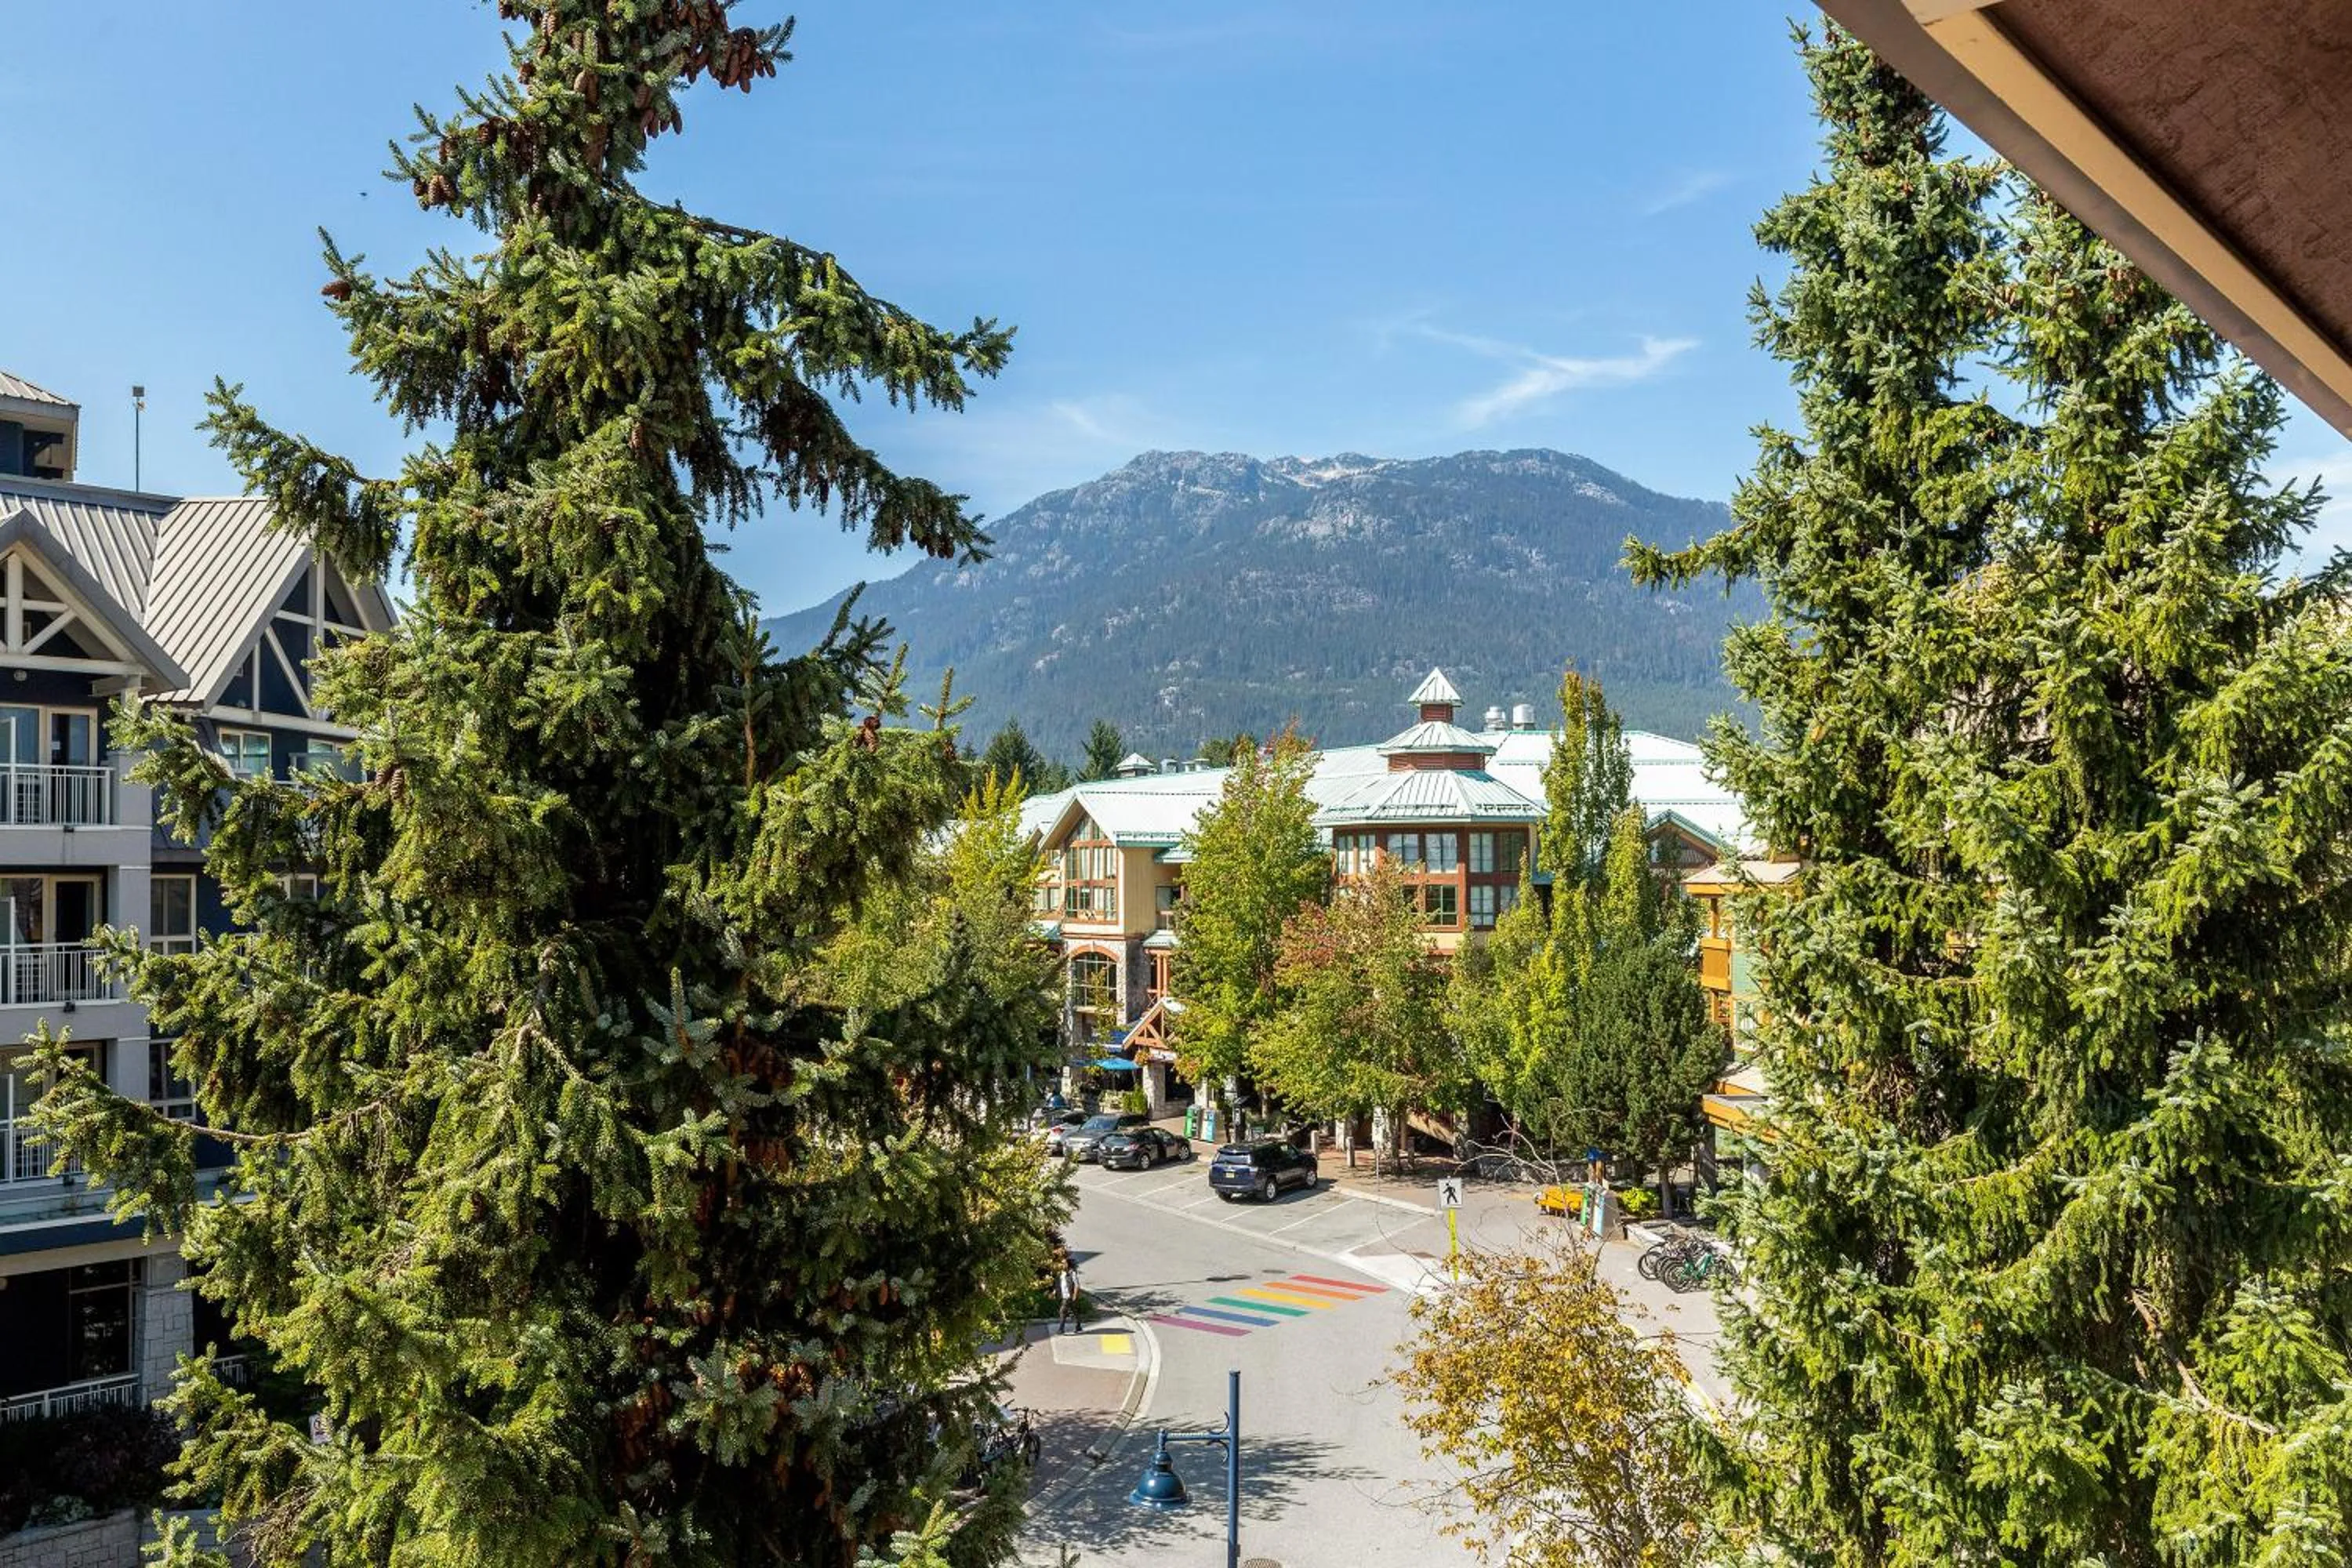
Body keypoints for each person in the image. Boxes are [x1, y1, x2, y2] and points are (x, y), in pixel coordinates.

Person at [1053, 1253, 1080, 1335]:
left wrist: (1075, 1295)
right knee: (1073, 1311)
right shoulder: (1060, 1273)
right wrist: (1055, 1292)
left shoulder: (1072, 1273)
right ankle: (1078, 1325)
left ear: (1068, 1264)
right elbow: (1058, 1284)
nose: (1063, 1265)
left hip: (1069, 1295)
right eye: (1062, 1263)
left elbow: (1077, 1285)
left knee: (1062, 1311)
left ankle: (1061, 1329)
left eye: (1064, 1263)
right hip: (1063, 1295)